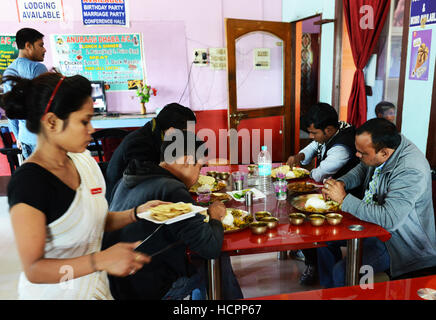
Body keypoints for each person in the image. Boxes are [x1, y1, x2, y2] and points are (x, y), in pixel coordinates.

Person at [2, 72, 169, 299]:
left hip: (94, 290)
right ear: (52, 122)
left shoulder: (84, 163)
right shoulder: (29, 182)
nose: (92, 129)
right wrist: (100, 260)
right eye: (84, 121)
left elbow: (93, 219)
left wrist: (137, 213)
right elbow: (34, 269)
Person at [104, 130, 243, 300]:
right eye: (199, 167)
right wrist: (215, 216)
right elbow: (210, 248)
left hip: (114, 282)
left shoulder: (130, 177)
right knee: (215, 256)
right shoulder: (173, 189)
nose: (199, 174)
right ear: (186, 161)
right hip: (146, 288)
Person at [321, 118, 436, 287]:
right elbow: (363, 167)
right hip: (373, 226)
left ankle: (343, 290)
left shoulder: (410, 170)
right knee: (324, 238)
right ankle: (330, 293)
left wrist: (344, 199)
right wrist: (342, 183)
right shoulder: (385, 146)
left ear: (384, 153)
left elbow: (389, 220)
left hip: (398, 243)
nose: (357, 155)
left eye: (362, 153)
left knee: (342, 272)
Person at [286, 102, 360, 286]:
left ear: (328, 130)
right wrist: (299, 157)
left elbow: (318, 175)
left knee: (308, 221)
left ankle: (318, 269)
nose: (310, 136)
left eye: (314, 132)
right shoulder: (334, 129)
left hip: (348, 200)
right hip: (330, 191)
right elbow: (313, 146)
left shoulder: (342, 147)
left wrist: (300, 175)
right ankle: (312, 256)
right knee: (298, 212)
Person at [105, 103, 197, 202]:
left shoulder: (154, 133)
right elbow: (148, 182)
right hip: (122, 203)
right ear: (172, 131)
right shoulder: (139, 144)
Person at [3, 28, 48, 159]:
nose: (44, 49)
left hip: (24, 138)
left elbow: (9, 109)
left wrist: (17, 137)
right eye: (41, 45)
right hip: (41, 139)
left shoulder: (9, 71)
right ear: (28, 46)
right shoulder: (37, 68)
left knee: (32, 177)